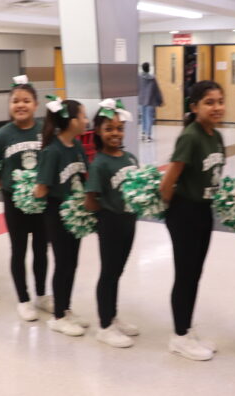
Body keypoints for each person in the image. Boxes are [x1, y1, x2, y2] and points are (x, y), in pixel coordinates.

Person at [159, 80, 225, 361]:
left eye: (220, 101)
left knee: (195, 273)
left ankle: (186, 327)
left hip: (203, 212)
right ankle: (179, 337)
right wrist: (174, 211)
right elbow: (168, 181)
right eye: (209, 102)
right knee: (185, 274)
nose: (217, 107)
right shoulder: (191, 136)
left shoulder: (216, 136)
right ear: (194, 106)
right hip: (185, 213)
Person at [0, 82, 52, 322]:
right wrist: (5, 187)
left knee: (41, 249)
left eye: (25, 100)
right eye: (15, 101)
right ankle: (23, 299)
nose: (20, 105)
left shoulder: (46, 130)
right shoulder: (2, 135)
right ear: (9, 105)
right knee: (19, 250)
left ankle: (42, 295)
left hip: (42, 202)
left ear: (36, 104)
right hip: (16, 202)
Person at [84, 99, 140, 348]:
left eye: (119, 128)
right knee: (108, 273)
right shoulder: (100, 163)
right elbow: (90, 200)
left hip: (129, 221)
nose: (115, 133)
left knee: (117, 271)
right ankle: (104, 326)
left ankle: (112, 316)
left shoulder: (129, 158)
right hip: (110, 223)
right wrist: (107, 215)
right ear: (98, 131)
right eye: (109, 129)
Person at [35, 97, 90, 337]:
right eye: (83, 116)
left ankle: (65, 308)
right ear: (71, 121)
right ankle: (58, 317)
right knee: (62, 263)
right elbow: (42, 187)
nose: (87, 120)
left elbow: (84, 175)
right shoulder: (52, 151)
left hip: (75, 215)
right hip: (56, 215)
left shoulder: (76, 146)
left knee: (72, 263)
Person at [138, 62, 163, 142]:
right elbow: (157, 90)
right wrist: (160, 100)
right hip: (150, 101)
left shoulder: (138, 77)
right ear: (149, 68)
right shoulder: (152, 78)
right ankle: (148, 135)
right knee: (149, 118)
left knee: (143, 117)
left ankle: (143, 133)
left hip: (141, 100)